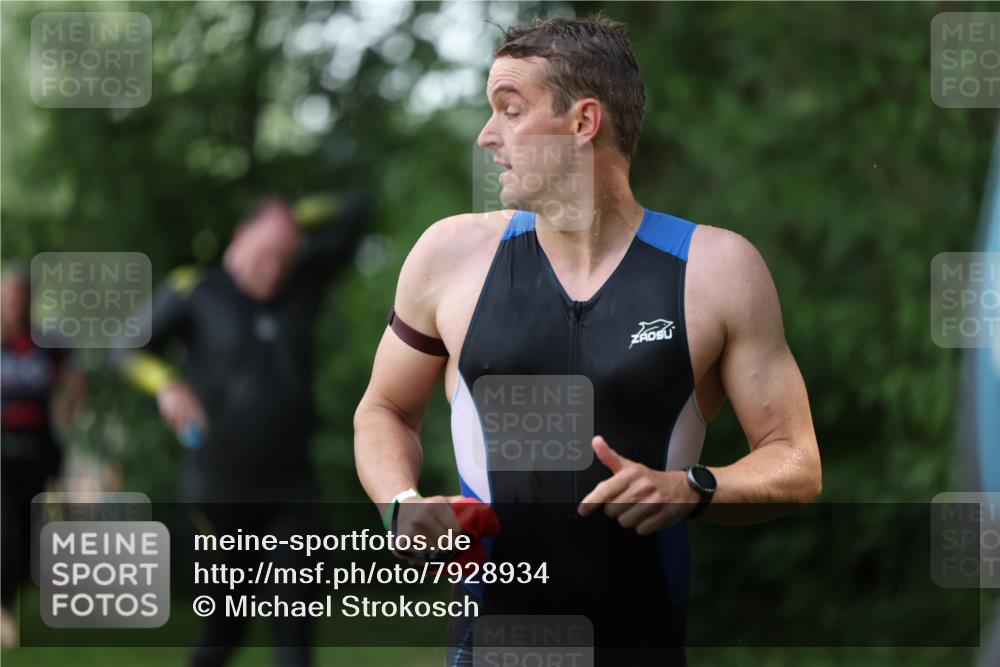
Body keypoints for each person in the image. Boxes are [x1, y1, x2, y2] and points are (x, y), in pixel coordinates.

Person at [353, 16, 822, 667]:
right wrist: (400, 506)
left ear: (583, 123)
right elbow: (383, 410)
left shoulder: (717, 271)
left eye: (510, 110)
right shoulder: (450, 256)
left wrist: (693, 487)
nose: (488, 136)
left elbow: (796, 460)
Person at [114, 194, 369, 667]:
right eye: (266, 256)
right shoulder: (197, 288)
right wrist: (166, 385)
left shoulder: (301, 285)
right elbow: (126, 350)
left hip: (292, 494)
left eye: (285, 258)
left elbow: (357, 211)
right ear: (238, 237)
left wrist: (295, 217)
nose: (275, 270)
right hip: (219, 496)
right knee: (224, 630)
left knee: (294, 629)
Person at [1, 264, 85, 648]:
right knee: (5, 531)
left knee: (27, 534)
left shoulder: (50, 344)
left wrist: (70, 402)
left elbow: (74, 382)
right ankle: (3, 611)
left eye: (22, 298)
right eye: (10, 298)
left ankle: (11, 596)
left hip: (38, 449)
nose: (16, 305)